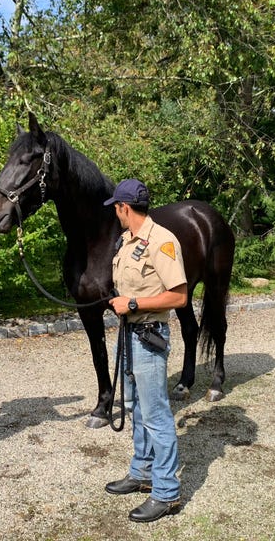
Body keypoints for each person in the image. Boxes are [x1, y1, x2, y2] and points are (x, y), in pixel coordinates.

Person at [103, 178, 187, 522]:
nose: (116, 215)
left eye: (117, 209)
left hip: (149, 336)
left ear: (125, 207)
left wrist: (134, 301)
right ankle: (142, 473)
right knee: (135, 407)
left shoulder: (162, 241)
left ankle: (166, 492)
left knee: (155, 414)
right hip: (130, 333)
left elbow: (179, 296)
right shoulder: (127, 240)